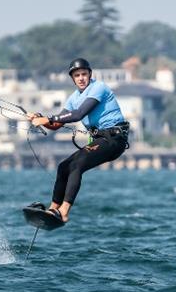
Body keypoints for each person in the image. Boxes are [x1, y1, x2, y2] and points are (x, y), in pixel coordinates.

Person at [27, 58, 129, 224]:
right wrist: (41, 118)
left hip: (114, 139)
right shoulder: (74, 98)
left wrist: (48, 118)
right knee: (63, 167)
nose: (81, 78)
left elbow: (78, 114)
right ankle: (53, 209)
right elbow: (57, 124)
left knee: (77, 164)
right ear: (73, 78)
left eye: (84, 74)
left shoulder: (98, 88)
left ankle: (64, 212)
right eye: (77, 75)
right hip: (100, 140)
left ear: (90, 74)